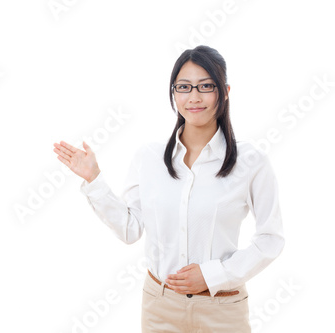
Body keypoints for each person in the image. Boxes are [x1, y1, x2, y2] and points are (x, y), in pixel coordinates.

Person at [52, 45, 285, 333]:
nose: (194, 97)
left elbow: (270, 239)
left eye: (206, 86)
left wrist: (213, 275)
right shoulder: (149, 158)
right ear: (173, 93)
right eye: (184, 87)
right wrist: (94, 179)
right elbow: (130, 230)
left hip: (222, 309)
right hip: (159, 306)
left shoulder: (251, 161)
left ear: (224, 91)